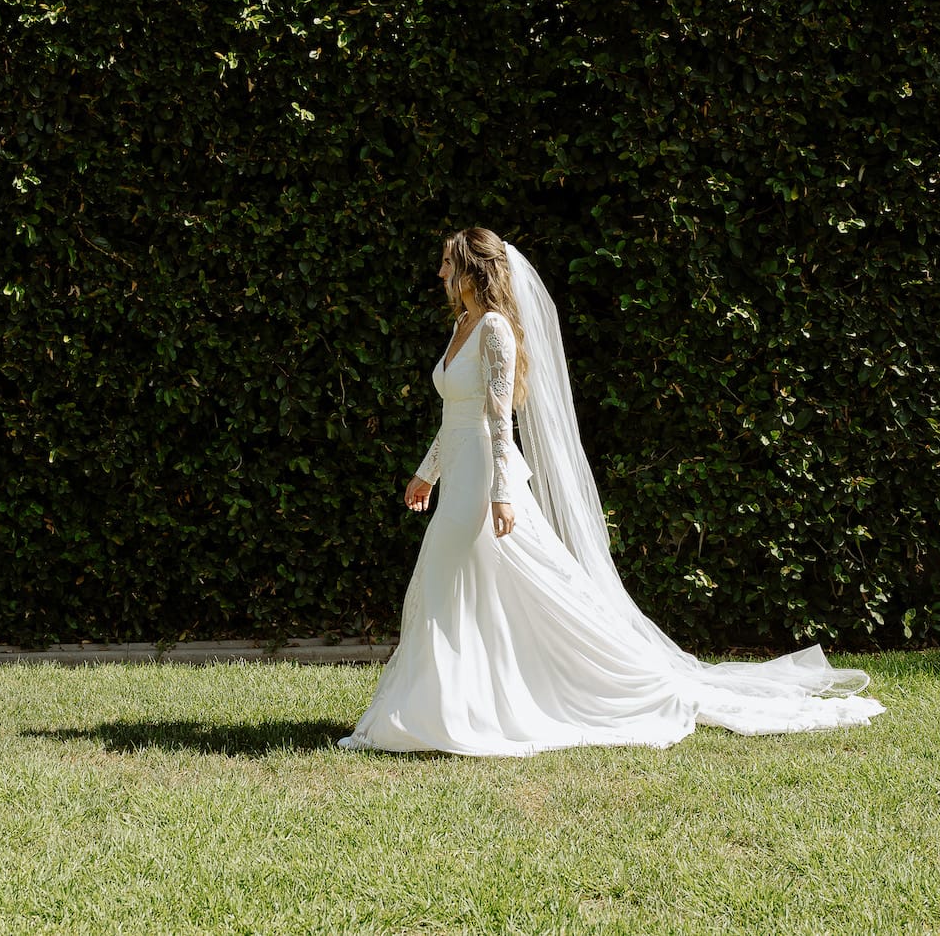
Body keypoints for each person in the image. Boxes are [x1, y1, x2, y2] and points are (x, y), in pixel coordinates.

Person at [342, 228, 883, 756]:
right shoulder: (462, 324)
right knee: (465, 584)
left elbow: (499, 420)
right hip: (458, 470)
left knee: (463, 579)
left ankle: (470, 706)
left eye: (447, 263)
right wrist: (426, 473)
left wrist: (504, 492)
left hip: (485, 476)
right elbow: (454, 415)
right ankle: (449, 705)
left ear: (472, 270)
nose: (439, 272)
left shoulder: (495, 331)